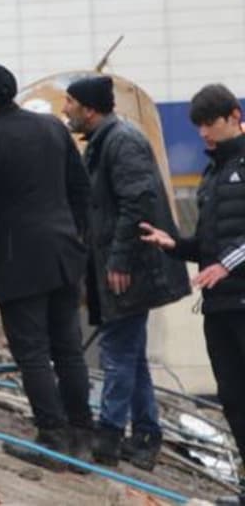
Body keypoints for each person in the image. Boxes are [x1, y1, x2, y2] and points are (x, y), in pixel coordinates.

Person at [0, 62, 93, 470]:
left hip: (18, 260)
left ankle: (52, 438)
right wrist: (75, 234)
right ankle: (82, 438)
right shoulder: (52, 128)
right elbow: (80, 188)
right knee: (68, 347)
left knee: (32, 351)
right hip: (63, 253)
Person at [63, 75, 190, 469]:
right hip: (117, 265)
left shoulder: (122, 142)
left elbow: (137, 203)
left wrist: (120, 261)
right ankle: (147, 434)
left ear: (89, 109)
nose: (65, 109)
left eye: (70, 103)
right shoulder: (103, 143)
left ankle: (110, 436)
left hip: (131, 269)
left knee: (117, 352)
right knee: (129, 354)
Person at [140, 83, 245, 505]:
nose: (204, 133)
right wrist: (176, 245)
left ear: (234, 116)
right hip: (219, 304)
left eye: (210, 123)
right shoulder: (213, 174)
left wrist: (228, 264)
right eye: (198, 125)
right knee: (233, 398)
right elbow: (209, 244)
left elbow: (230, 252)